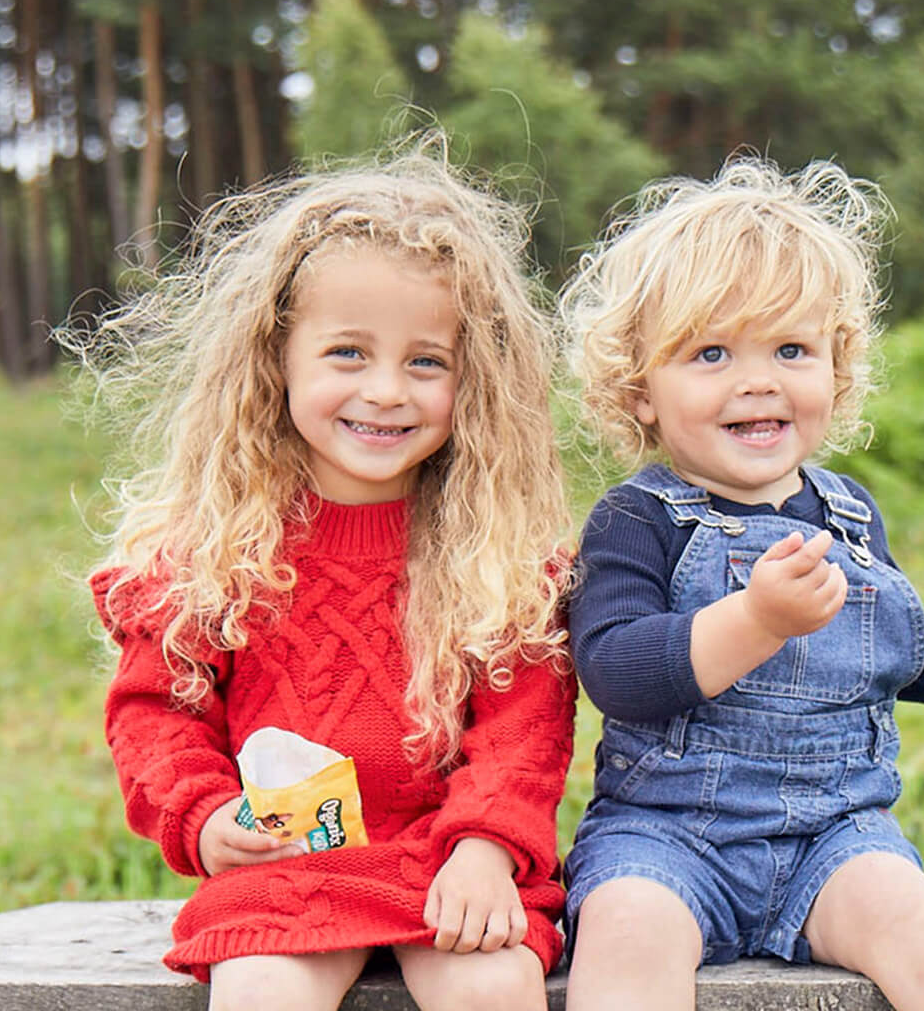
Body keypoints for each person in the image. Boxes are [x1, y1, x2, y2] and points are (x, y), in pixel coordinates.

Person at [68, 142, 576, 1011]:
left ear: (475, 380)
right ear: (278, 359)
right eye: (348, 353)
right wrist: (204, 815)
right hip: (286, 864)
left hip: (448, 861)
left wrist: (487, 848)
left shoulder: (497, 551)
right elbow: (157, 715)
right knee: (263, 990)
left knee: (492, 984)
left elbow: (524, 732)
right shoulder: (214, 548)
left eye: (426, 362)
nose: (385, 390)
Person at [557, 157, 924, 1011]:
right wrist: (756, 619)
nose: (758, 379)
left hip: (837, 837)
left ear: (836, 369)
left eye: (792, 349)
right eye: (712, 352)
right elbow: (614, 669)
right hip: (666, 837)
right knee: (625, 949)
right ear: (638, 389)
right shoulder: (637, 518)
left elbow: (896, 650)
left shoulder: (849, 512)